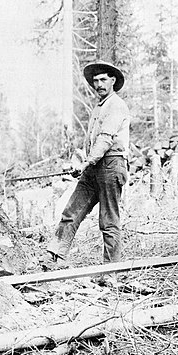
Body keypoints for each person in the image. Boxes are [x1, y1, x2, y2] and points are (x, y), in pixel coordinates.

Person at [45, 61, 130, 265]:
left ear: (113, 81)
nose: (98, 84)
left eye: (102, 80)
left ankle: (110, 271)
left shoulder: (116, 105)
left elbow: (105, 139)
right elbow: (92, 142)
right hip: (93, 167)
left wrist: (86, 163)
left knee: (108, 221)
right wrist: (81, 163)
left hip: (111, 166)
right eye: (95, 81)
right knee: (71, 211)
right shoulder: (99, 107)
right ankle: (54, 259)